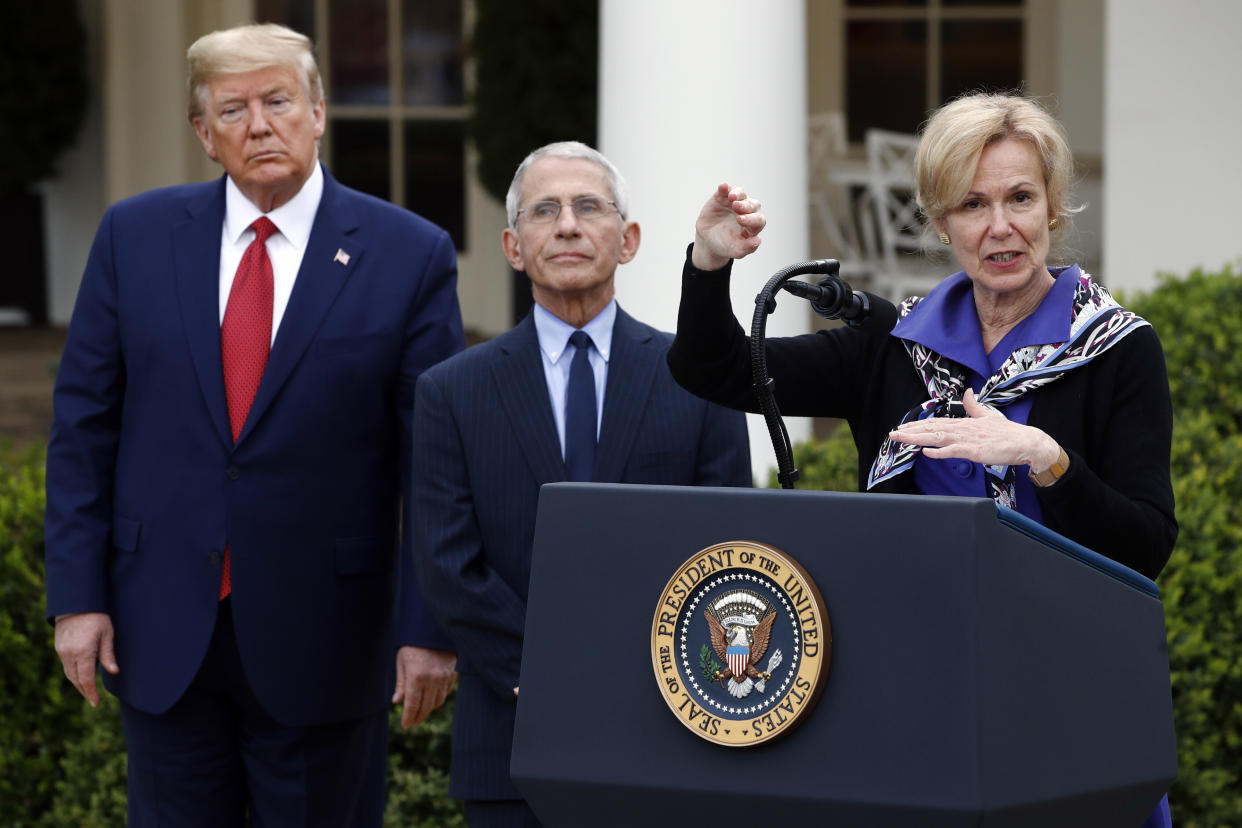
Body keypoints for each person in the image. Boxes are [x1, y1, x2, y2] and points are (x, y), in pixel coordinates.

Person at [668, 93, 1176, 828]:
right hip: (912, 702)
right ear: (941, 224)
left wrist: (1046, 459)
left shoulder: (1119, 350)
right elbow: (715, 370)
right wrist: (710, 262)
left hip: (1067, 707)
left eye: (1020, 198)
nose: (999, 226)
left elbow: (1147, 546)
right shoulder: (895, 347)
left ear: (1054, 208)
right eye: (972, 204)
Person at [44, 23, 463, 826]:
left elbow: (434, 463)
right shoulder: (133, 238)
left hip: (327, 638)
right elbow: (83, 430)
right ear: (205, 135)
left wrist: (428, 628)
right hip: (159, 628)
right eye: (232, 110)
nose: (259, 125)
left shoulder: (409, 253)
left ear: (318, 112)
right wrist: (76, 598)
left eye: (278, 101)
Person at [410, 141, 752, 826]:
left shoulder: (699, 379)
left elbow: (729, 542)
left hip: (672, 733)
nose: (567, 225)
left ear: (627, 241)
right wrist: (543, 672)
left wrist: (652, 674)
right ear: (513, 245)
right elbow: (448, 563)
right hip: (511, 738)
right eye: (545, 210)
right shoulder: (452, 392)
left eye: (587, 207)